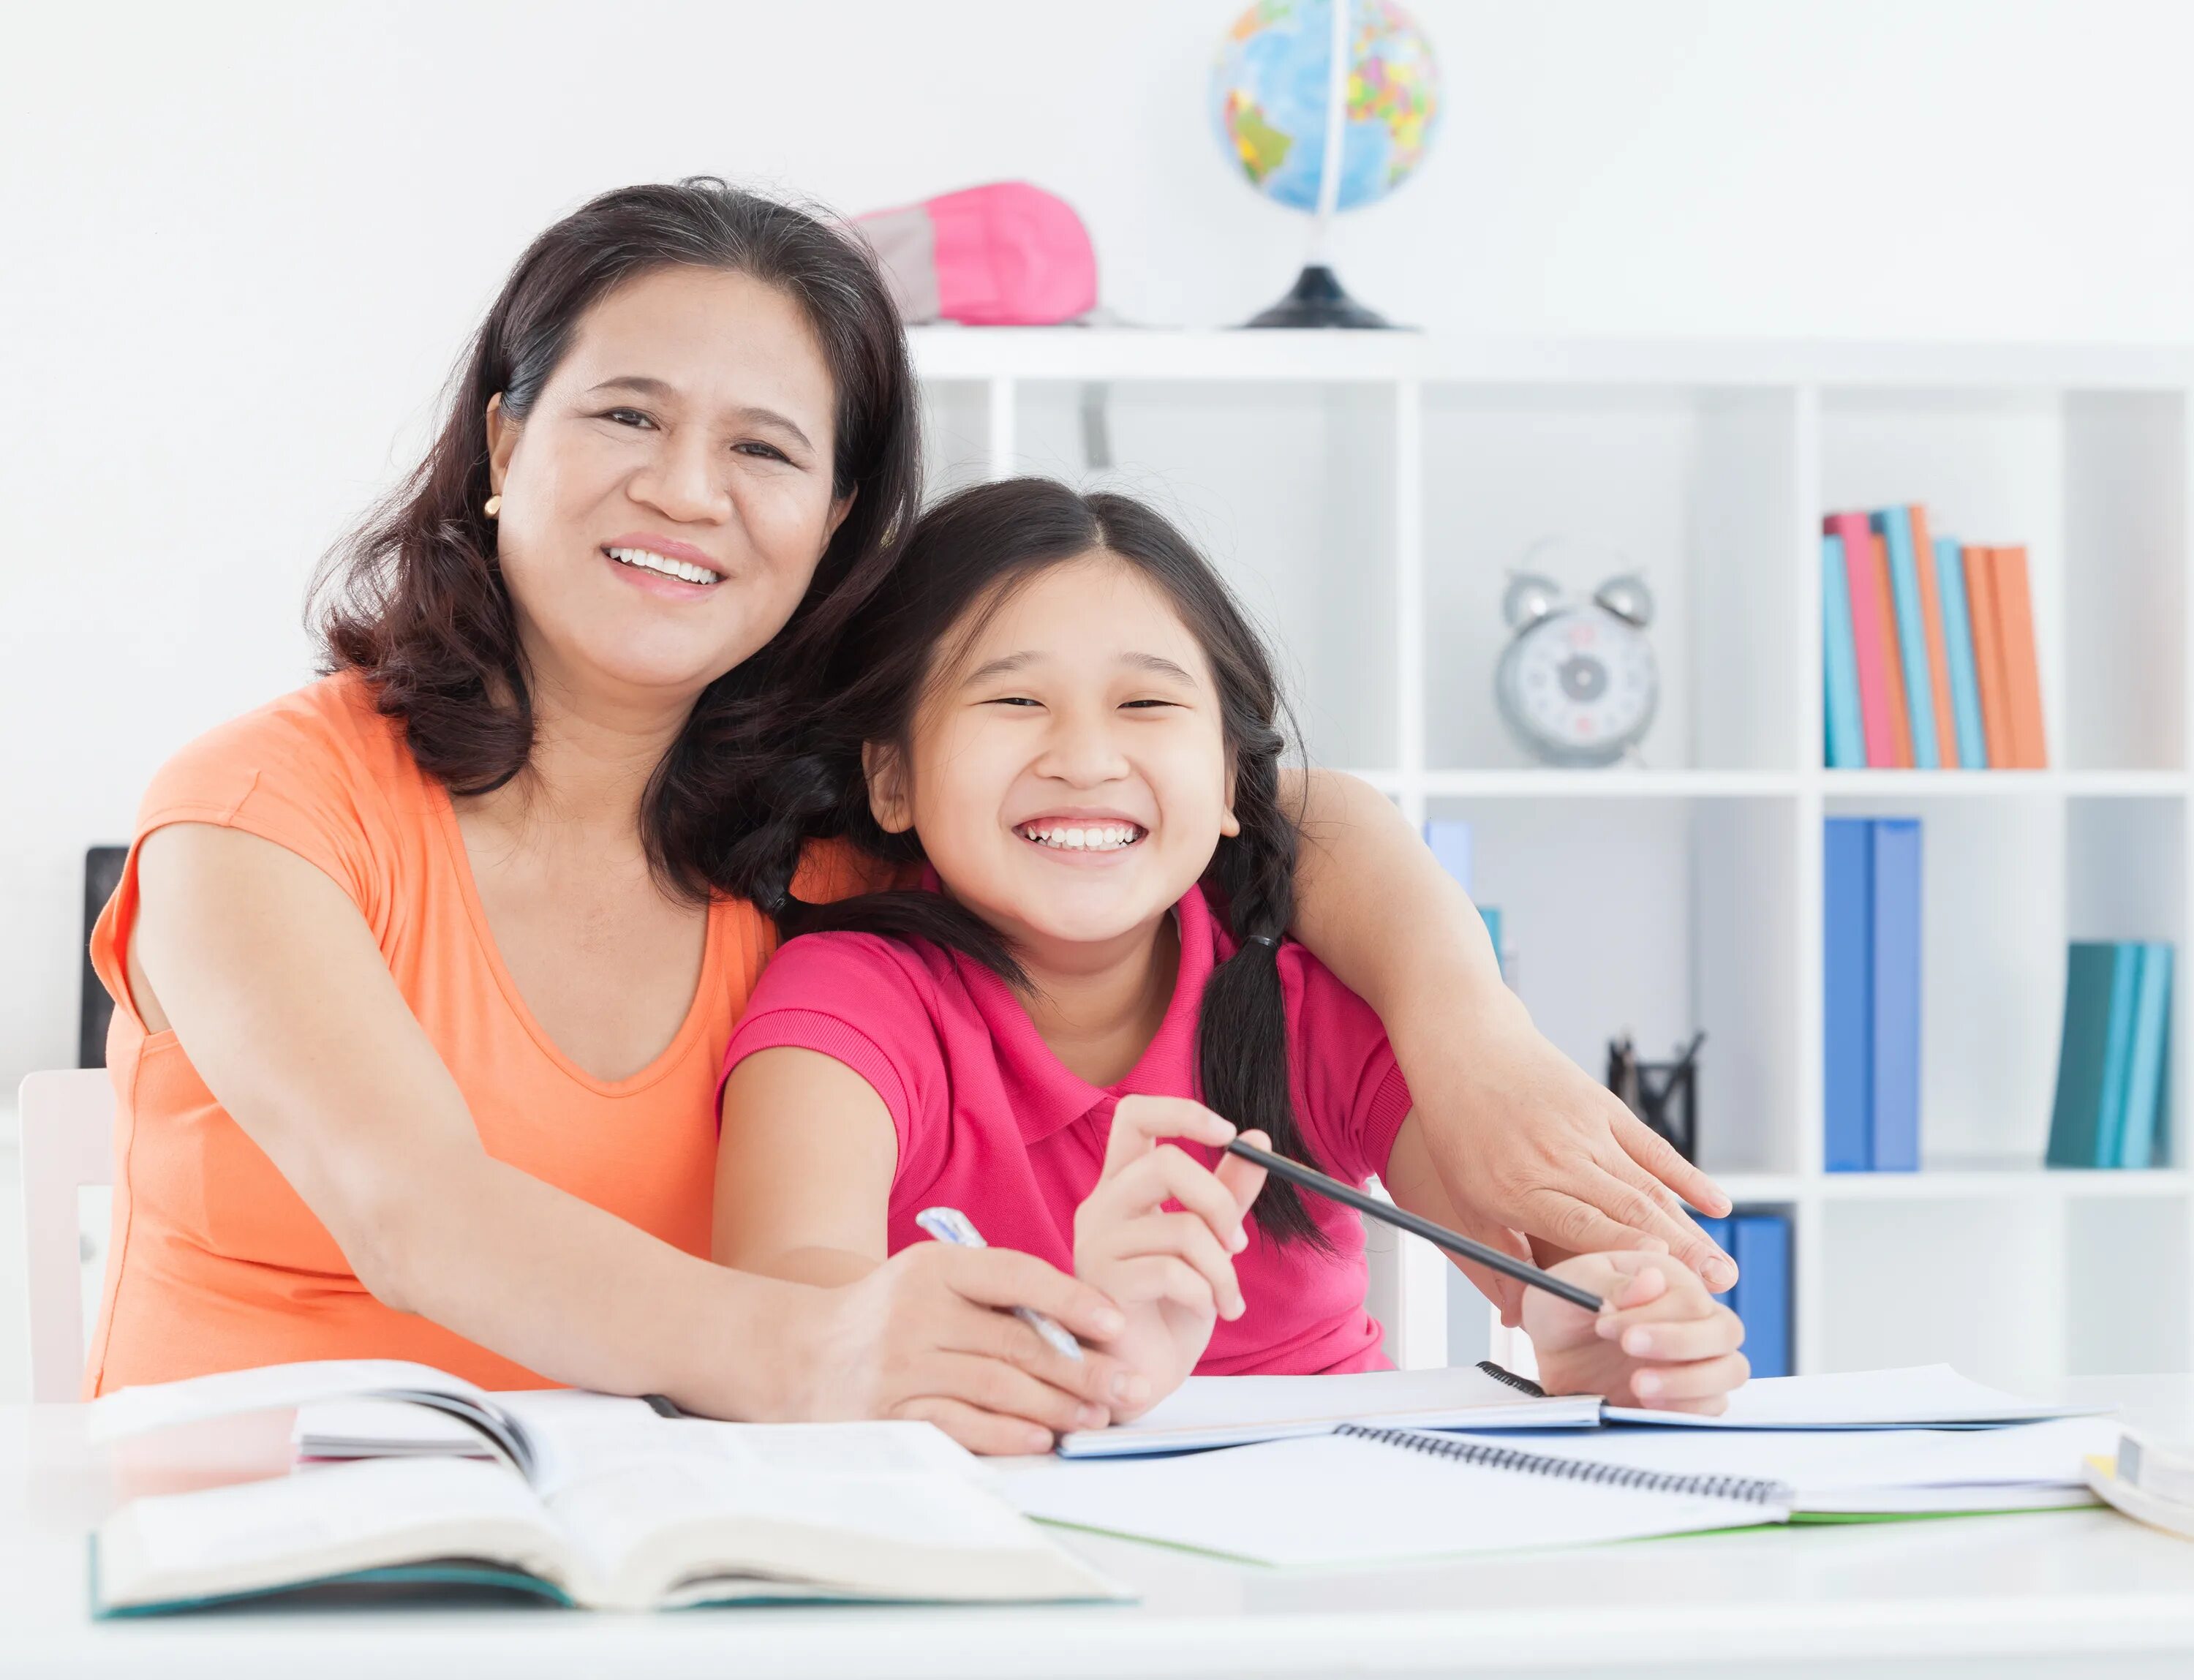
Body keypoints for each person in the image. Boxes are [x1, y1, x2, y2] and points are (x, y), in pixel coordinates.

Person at [89, 178, 1733, 1450]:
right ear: (507, 440)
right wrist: (827, 1349)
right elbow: (414, 1216)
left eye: (765, 448)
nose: (686, 489)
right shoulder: (255, 812)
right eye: (627, 415)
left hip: (680, 1533)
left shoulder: (813, 840)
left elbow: (1283, 815)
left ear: (837, 519)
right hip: (262, 1540)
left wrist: (1482, 1045)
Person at [712, 480, 1747, 1443]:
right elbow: (788, 1295)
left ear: (1227, 789)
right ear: (891, 779)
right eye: (1014, 701)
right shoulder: (851, 998)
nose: (1084, 756)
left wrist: (1607, 1320)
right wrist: (1068, 1329)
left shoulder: (1304, 997)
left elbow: (1532, 1232)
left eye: (1147, 705)